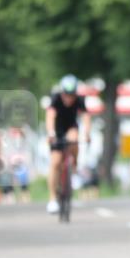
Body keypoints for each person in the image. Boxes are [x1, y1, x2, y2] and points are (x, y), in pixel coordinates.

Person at [45, 75, 90, 214]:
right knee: (55, 163)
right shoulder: (55, 98)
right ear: (62, 92)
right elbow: (50, 116)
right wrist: (51, 133)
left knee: (74, 138)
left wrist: (87, 134)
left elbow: (86, 117)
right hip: (56, 131)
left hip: (71, 127)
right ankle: (52, 199)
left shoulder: (80, 100)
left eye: (71, 95)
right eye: (66, 95)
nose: (69, 98)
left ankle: (73, 166)